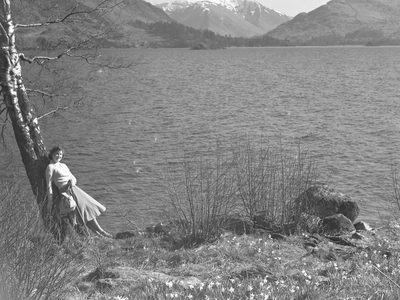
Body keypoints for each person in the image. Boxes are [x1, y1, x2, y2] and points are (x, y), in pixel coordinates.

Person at [46, 146, 113, 238]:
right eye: (57, 154)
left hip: (75, 189)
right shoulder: (50, 167)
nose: (59, 156)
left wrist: (72, 182)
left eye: (61, 154)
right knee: (80, 215)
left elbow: (73, 177)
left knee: (86, 210)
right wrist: (50, 200)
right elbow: (48, 185)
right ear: (52, 154)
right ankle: (100, 233)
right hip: (66, 193)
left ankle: (101, 232)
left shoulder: (63, 165)